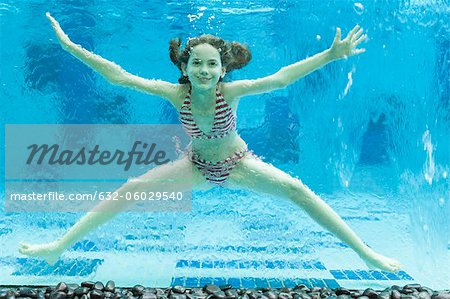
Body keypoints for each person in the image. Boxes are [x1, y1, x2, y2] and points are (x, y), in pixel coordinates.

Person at [19, 12, 401, 272]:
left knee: (296, 191)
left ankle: (364, 253)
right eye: (196, 64)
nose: (204, 70)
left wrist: (330, 55)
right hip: (196, 166)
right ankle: (57, 248)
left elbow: (282, 78)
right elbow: (119, 77)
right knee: (131, 189)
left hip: (238, 164)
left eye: (212, 65)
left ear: (223, 69)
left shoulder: (231, 92)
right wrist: (71, 47)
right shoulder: (175, 94)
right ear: (184, 67)